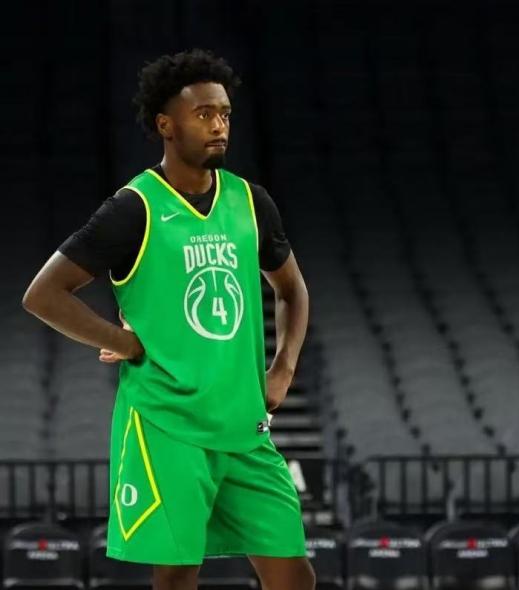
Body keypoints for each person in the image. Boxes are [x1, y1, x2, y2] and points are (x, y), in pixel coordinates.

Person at [22, 49, 315, 590]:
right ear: (166, 125)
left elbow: (292, 290)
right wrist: (125, 343)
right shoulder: (133, 208)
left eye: (224, 114)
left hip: (243, 426)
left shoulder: (251, 201)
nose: (219, 125)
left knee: (293, 573)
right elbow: (43, 294)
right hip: (167, 424)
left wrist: (283, 370)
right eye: (203, 114)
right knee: (178, 575)